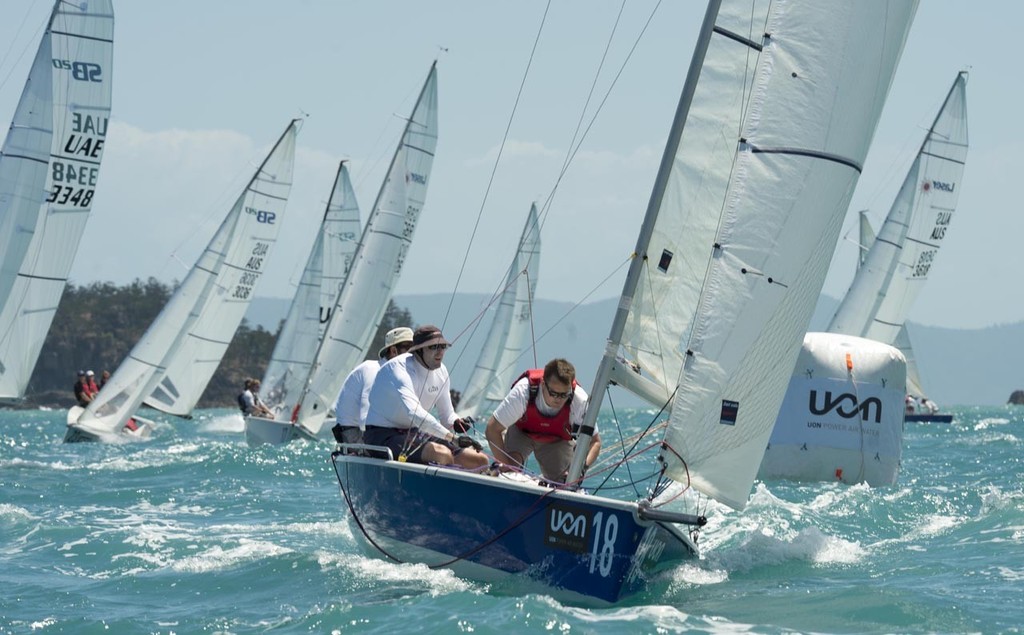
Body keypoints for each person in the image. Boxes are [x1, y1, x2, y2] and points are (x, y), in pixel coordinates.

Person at [363, 325, 488, 469]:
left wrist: (456, 422)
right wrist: (453, 438)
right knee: (443, 455)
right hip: (381, 434)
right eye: (433, 347)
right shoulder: (398, 368)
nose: (440, 352)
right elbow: (415, 413)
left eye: (443, 346)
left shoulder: (441, 371)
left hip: (413, 433)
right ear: (419, 350)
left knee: (479, 460)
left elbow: (447, 415)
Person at [485, 358, 601, 484]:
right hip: (522, 433)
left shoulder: (579, 400)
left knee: (565, 482)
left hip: (556, 440)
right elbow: (492, 429)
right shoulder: (523, 391)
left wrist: (581, 469)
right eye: (554, 393)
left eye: (564, 394)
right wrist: (505, 465)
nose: (558, 399)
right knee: (510, 470)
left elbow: (595, 442)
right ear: (543, 384)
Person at [331, 326, 415, 445]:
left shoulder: (397, 375)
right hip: (354, 432)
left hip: (381, 430)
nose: (413, 354)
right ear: (393, 351)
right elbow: (366, 416)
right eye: (408, 348)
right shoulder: (373, 370)